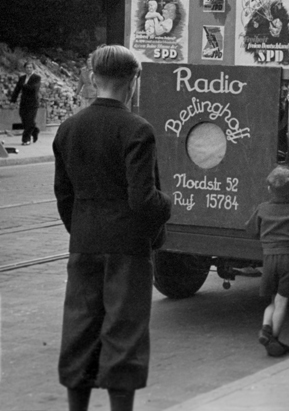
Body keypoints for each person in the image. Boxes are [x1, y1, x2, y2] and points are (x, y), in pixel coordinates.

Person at [54, 45, 172, 411]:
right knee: (125, 332)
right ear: (133, 81)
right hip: (128, 248)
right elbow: (143, 199)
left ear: (93, 78)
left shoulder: (69, 127)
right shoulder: (137, 129)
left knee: (80, 328)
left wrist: (82, 230)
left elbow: (64, 194)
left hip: (85, 242)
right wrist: (167, 206)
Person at [246, 166, 289, 357]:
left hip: (269, 257)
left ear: (268, 189)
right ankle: (273, 339)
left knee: (272, 299)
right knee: (282, 302)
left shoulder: (262, 208)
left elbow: (251, 230)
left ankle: (266, 329)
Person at [11, 61, 41, 145]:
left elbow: (34, 88)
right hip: (23, 103)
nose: (29, 69)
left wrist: (24, 85)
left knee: (29, 121)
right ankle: (35, 130)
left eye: (30, 67)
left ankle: (26, 139)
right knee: (24, 120)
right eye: (27, 67)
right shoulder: (22, 78)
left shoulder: (37, 78)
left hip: (33, 103)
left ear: (33, 68)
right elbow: (17, 90)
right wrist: (13, 100)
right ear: (25, 68)